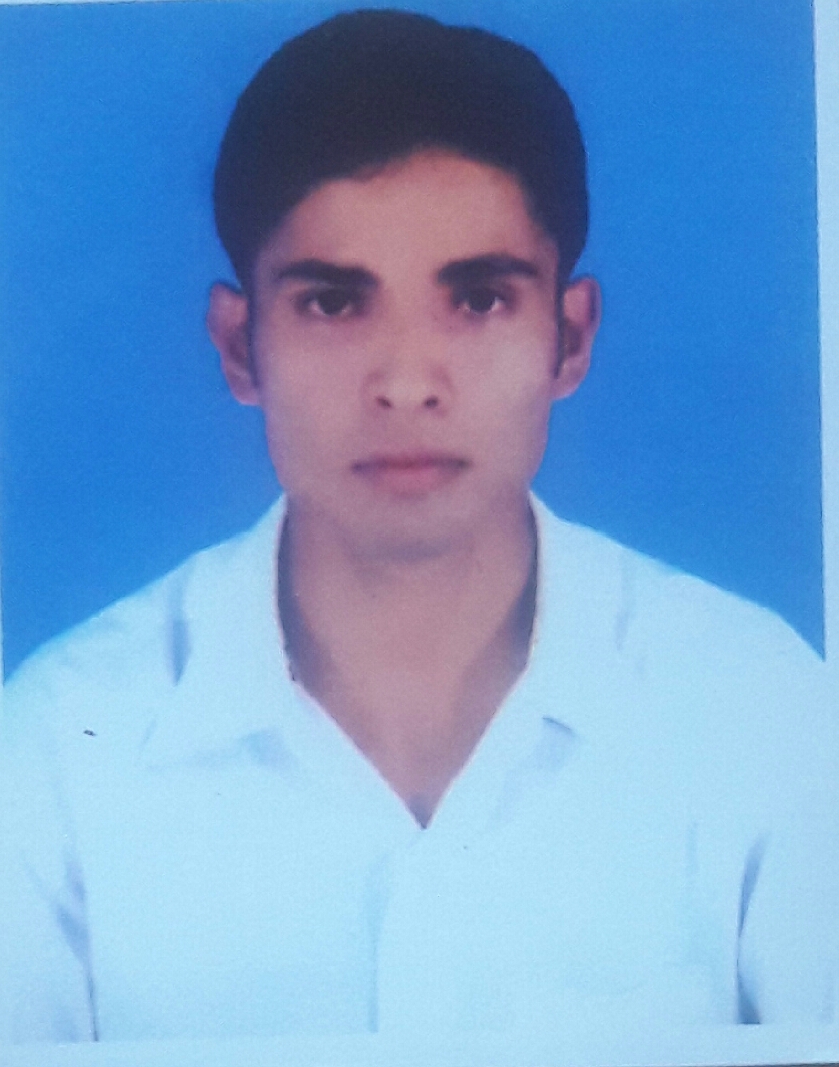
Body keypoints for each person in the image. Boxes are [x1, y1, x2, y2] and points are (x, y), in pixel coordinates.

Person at [1, 7, 836, 1046]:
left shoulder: (760, 716)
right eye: (332, 303)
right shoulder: (56, 756)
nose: (405, 382)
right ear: (239, 347)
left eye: (478, 299)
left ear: (569, 338)